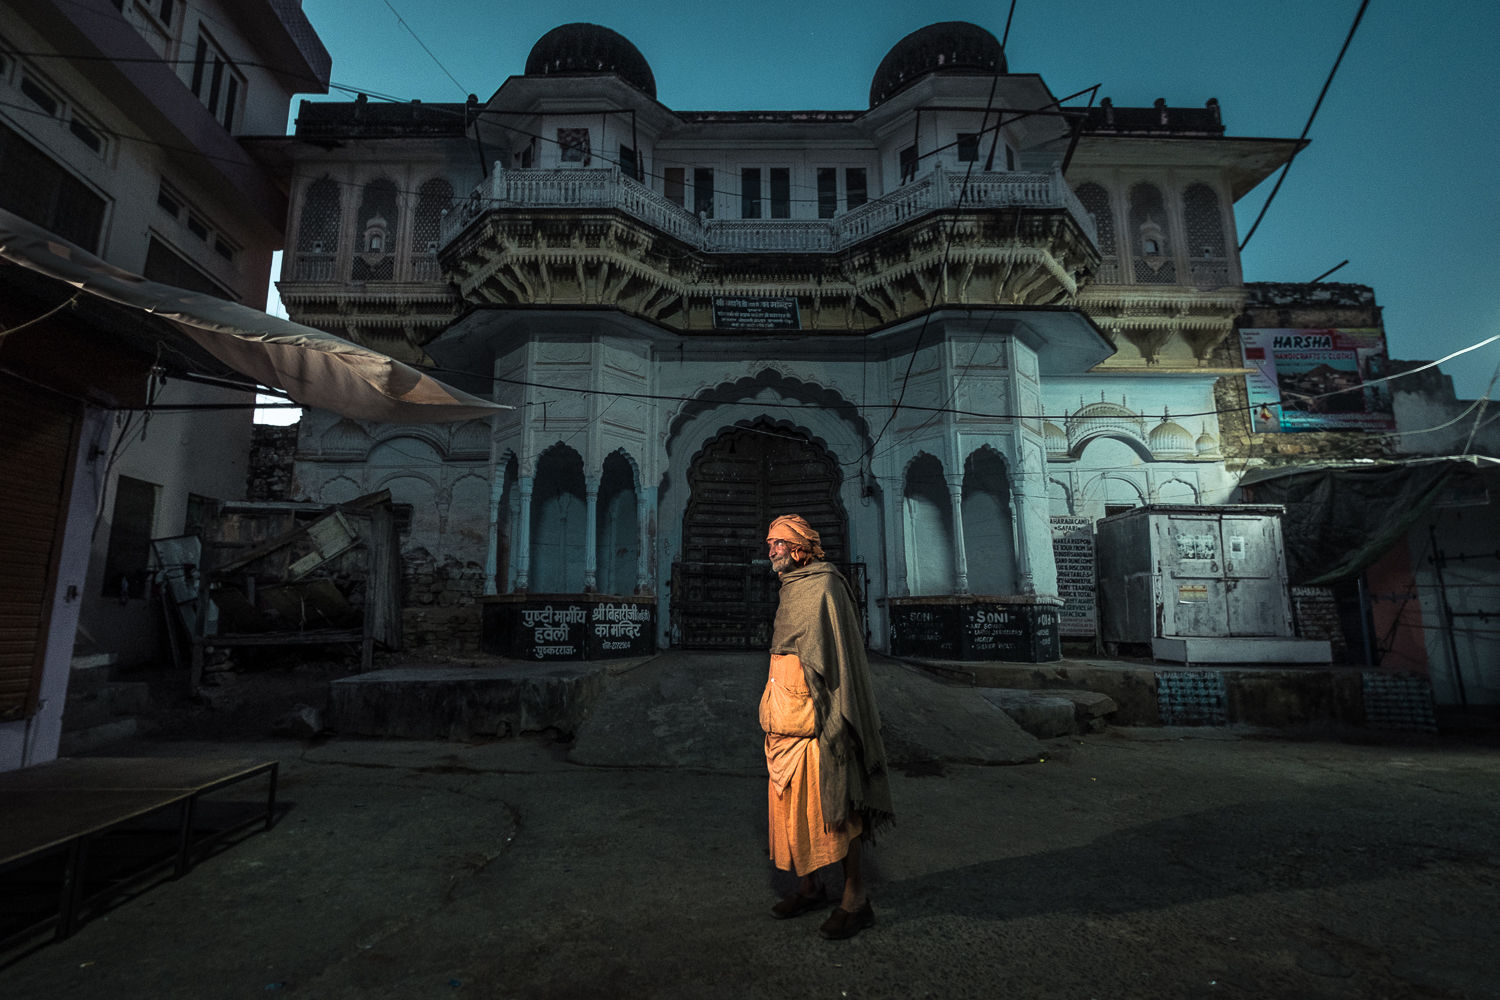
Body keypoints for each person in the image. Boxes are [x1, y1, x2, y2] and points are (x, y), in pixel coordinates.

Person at [759, 514, 894, 940]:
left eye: (778, 543)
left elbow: (837, 659)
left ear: (799, 547)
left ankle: (855, 899)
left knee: (837, 810)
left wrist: (832, 714)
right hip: (784, 723)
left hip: (819, 721)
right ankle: (811, 886)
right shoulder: (791, 590)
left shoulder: (826, 586)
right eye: (769, 544)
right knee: (792, 812)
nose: (771, 550)